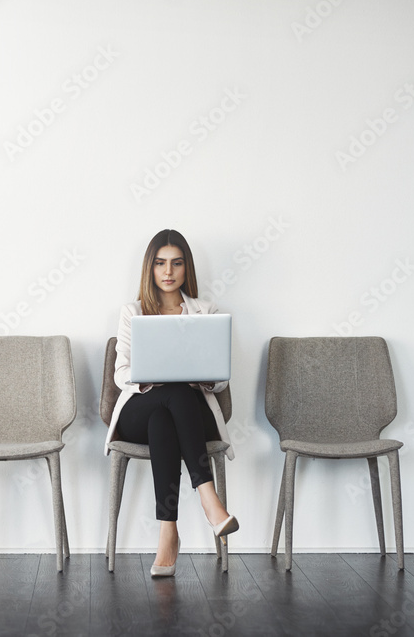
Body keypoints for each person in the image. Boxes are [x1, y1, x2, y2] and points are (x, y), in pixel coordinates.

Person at [105, 229, 238, 577]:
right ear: (150, 268)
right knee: (172, 393)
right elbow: (121, 374)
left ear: (186, 268)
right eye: (161, 263)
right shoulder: (132, 312)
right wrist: (154, 375)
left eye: (176, 263)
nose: (168, 271)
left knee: (169, 411)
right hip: (139, 407)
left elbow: (221, 379)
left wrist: (198, 375)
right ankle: (210, 501)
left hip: (188, 415)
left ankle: (168, 532)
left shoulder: (205, 311)